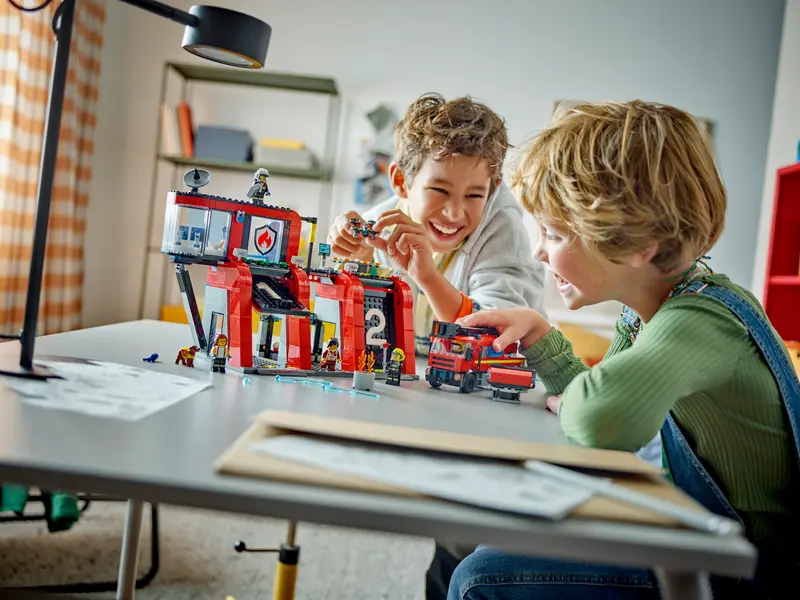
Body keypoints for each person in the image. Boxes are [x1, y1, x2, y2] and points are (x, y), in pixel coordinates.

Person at [446, 100, 800, 600]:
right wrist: (541, 335)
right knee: (479, 534)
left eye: (554, 233)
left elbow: (600, 419)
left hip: (738, 569)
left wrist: (577, 403)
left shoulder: (699, 322)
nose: (540, 252)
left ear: (640, 244)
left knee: (480, 577)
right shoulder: (651, 310)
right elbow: (596, 398)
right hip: (695, 530)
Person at [328, 93, 548, 599]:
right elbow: (347, 298)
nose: (455, 212)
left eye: (476, 194)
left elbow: (492, 335)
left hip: (489, 396)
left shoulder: (506, 231)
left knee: (463, 537)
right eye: (440, 190)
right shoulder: (385, 216)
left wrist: (425, 271)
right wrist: (349, 252)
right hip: (417, 384)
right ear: (402, 183)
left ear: (493, 188)